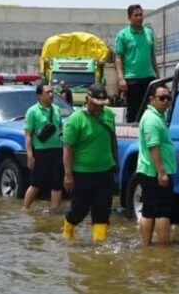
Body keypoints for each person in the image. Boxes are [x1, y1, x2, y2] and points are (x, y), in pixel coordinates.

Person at [62, 84, 118, 241]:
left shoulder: (108, 115)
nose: (99, 108)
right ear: (87, 100)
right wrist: (68, 175)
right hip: (82, 173)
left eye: (102, 105)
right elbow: (67, 148)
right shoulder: (75, 120)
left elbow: (112, 138)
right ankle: (67, 232)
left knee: (102, 210)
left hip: (105, 171)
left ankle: (98, 245)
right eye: (95, 104)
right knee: (80, 209)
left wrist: (116, 161)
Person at [136, 84, 176, 246]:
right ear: (151, 99)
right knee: (162, 212)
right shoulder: (152, 119)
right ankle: (163, 249)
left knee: (149, 210)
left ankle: (147, 247)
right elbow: (153, 147)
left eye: (168, 98)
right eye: (162, 98)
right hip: (154, 173)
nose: (166, 101)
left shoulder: (156, 117)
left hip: (150, 171)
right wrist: (161, 172)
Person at [22, 84, 64, 210]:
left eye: (52, 92)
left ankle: (54, 211)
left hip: (57, 150)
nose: (51, 94)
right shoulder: (32, 111)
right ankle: (25, 209)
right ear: (40, 95)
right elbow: (28, 135)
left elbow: (61, 129)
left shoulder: (56, 109)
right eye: (48, 92)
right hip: (40, 152)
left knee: (57, 184)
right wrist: (30, 155)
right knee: (36, 183)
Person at [115, 4, 158, 123]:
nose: (139, 17)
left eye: (141, 15)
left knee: (150, 111)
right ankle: (133, 138)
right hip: (132, 78)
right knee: (134, 112)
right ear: (129, 18)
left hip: (149, 77)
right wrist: (120, 78)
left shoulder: (149, 33)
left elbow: (152, 55)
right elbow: (118, 58)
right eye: (136, 15)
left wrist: (157, 75)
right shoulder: (123, 35)